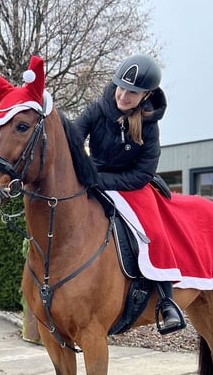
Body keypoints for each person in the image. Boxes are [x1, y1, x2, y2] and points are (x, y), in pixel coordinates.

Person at [74, 53, 185, 334]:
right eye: (121, 87)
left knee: (154, 233)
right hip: (94, 179)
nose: (123, 95)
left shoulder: (150, 125)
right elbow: (73, 138)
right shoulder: (98, 108)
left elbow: (142, 174)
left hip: (132, 184)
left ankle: (166, 301)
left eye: (132, 92)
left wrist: (98, 179)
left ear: (146, 94)